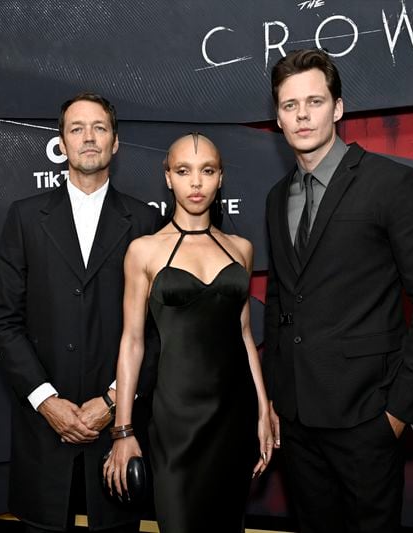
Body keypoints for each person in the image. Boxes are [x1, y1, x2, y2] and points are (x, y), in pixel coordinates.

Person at [263, 49, 413, 532]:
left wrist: (396, 413)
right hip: (296, 421)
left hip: (365, 417)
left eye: (314, 101)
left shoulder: (393, 184)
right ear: (278, 118)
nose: (302, 115)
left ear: (339, 108)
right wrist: (272, 395)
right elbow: (284, 300)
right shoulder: (275, 197)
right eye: (290, 105)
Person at [0, 92, 160, 532]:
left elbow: (158, 332)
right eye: (77, 128)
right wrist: (47, 403)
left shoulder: (144, 223)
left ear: (115, 143)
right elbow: (5, 321)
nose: (89, 138)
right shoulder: (25, 218)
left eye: (99, 128)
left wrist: (112, 401)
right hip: (44, 433)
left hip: (116, 433)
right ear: (61, 143)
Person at [103, 133, 274, 533]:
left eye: (207, 171)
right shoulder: (144, 251)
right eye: (184, 171)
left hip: (234, 417)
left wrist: (264, 410)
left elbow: (245, 334)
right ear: (168, 178)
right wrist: (123, 430)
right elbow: (132, 341)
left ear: (220, 179)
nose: (195, 183)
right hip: (175, 423)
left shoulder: (241, 249)